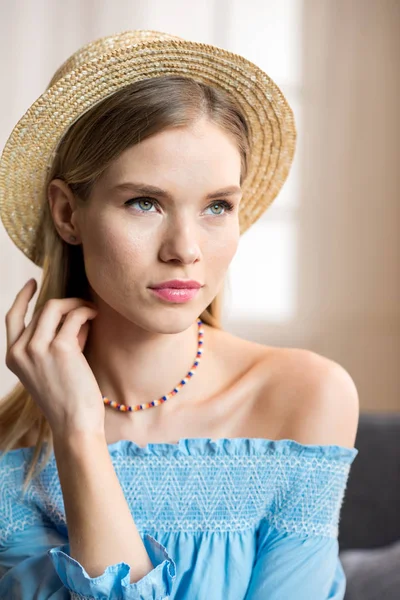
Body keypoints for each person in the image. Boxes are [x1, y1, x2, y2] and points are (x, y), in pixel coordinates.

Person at [0, 30, 359, 599]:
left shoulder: (305, 396)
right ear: (68, 213)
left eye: (218, 206)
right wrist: (78, 433)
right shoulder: (10, 455)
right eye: (145, 202)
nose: (185, 249)